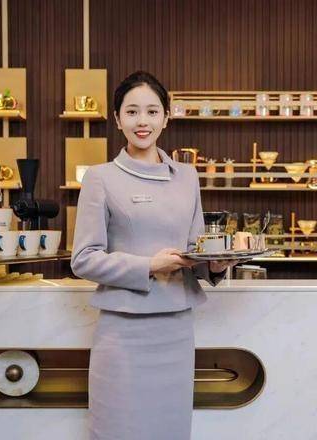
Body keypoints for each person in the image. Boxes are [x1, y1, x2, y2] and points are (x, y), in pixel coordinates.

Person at [71, 71, 236, 439]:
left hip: (176, 328)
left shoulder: (188, 177)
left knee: (170, 429)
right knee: (118, 429)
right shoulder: (100, 178)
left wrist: (215, 264)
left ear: (166, 117)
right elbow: (84, 258)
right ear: (117, 119)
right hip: (123, 331)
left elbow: (194, 250)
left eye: (151, 111)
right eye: (131, 112)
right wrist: (149, 265)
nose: (142, 121)